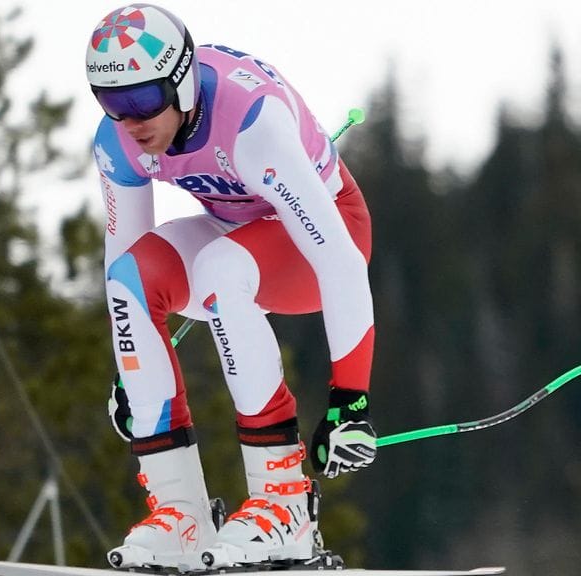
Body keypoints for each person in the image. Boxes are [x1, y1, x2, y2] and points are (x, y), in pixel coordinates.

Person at [86, 3, 378, 570]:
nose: (131, 121)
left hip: (325, 237)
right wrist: (134, 369)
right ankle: (181, 515)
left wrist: (350, 402)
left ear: (182, 83)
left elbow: (341, 263)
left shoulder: (252, 123)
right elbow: (125, 251)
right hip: (235, 232)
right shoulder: (118, 142)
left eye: (144, 100)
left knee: (222, 267)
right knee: (128, 281)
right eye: (111, 103)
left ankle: (285, 503)